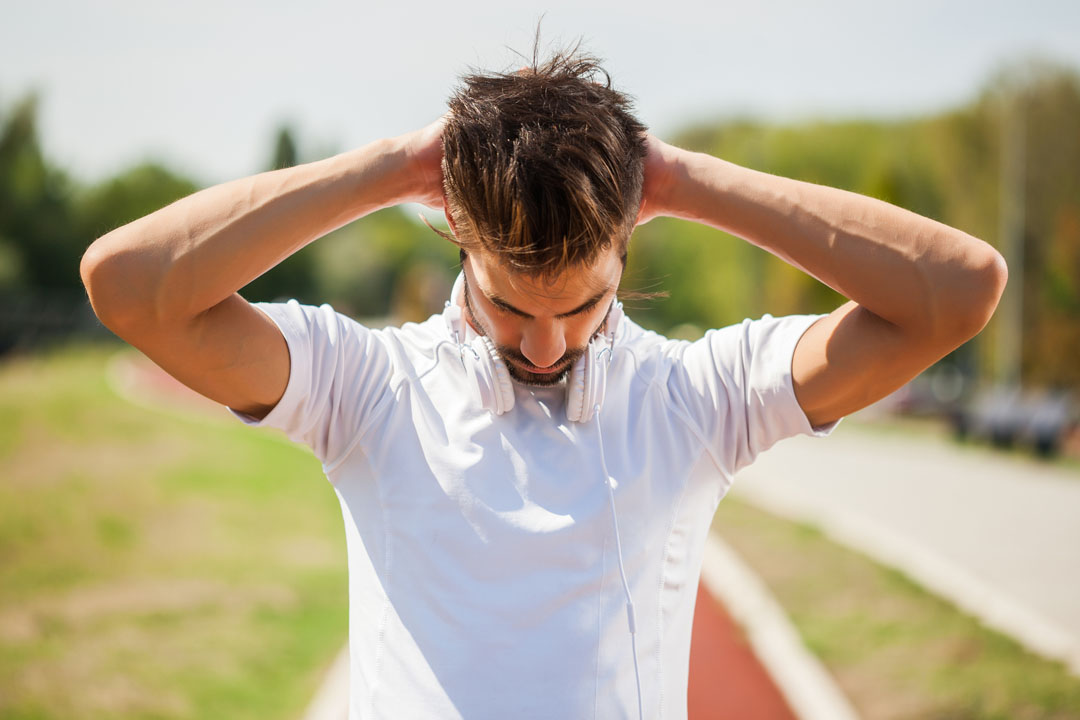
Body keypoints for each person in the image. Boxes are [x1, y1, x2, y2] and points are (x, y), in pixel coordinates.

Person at [80, 44, 1007, 720]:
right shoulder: (366, 387)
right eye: (510, 305)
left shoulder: (696, 399)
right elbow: (130, 287)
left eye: (583, 304)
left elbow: (957, 293)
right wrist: (395, 167)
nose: (545, 347)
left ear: (627, 244)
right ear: (457, 241)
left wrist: (682, 177)